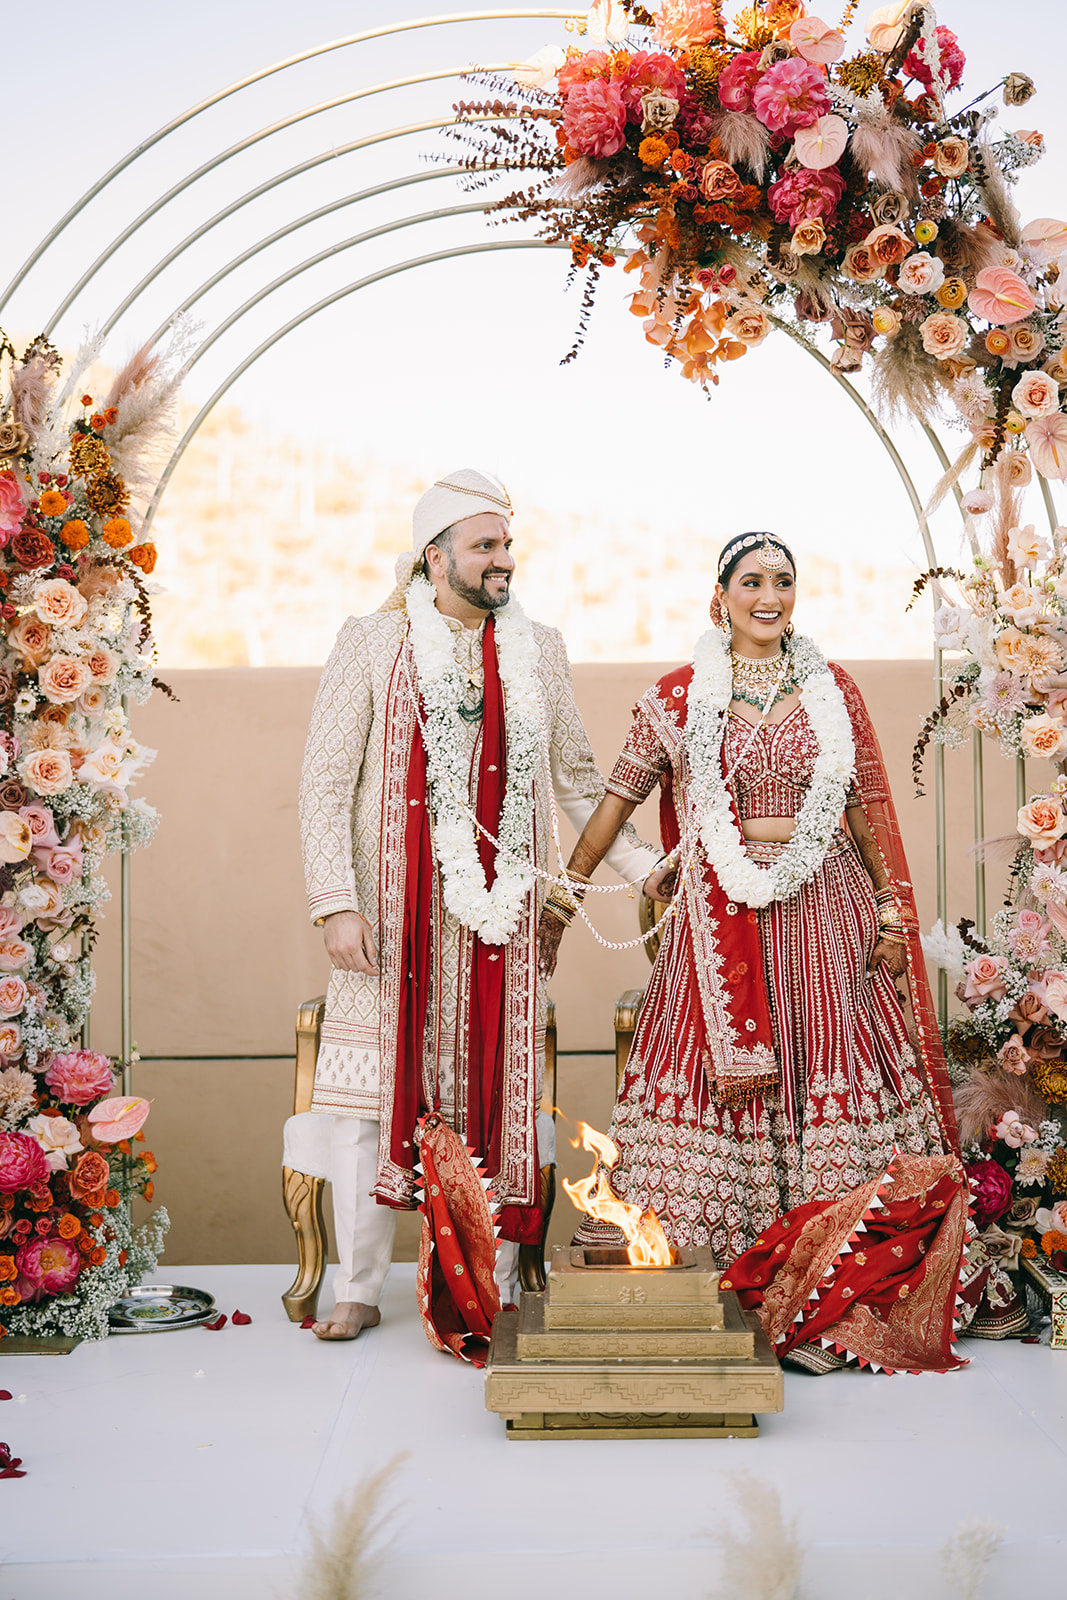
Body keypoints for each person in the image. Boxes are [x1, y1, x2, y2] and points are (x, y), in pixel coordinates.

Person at [540, 532, 1025, 1373]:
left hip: (824, 910)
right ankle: (723, 1272)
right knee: (712, 1078)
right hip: (718, 920)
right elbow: (616, 801)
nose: (770, 596)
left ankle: (837, 1276)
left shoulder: (831, 689)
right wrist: (566, 890)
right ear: (718, 594)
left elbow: (866, 805)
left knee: (830, 1066)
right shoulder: (679, 697)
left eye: (784, 582)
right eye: (752, 581)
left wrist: (884, 909)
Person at [298, 468, 657, 1343]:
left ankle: (491, 1283)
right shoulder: (369, 644)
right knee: (362, 1110)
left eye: (506, 545)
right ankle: (355, 1287)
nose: (503, 560)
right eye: (484, 545)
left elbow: (577, 780)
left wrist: (644, 864)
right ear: (434, 555)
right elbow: (322, 780)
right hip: (387, 919)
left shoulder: (540, 649)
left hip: (498, 921)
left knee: (498, 1100)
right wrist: (335, 903)